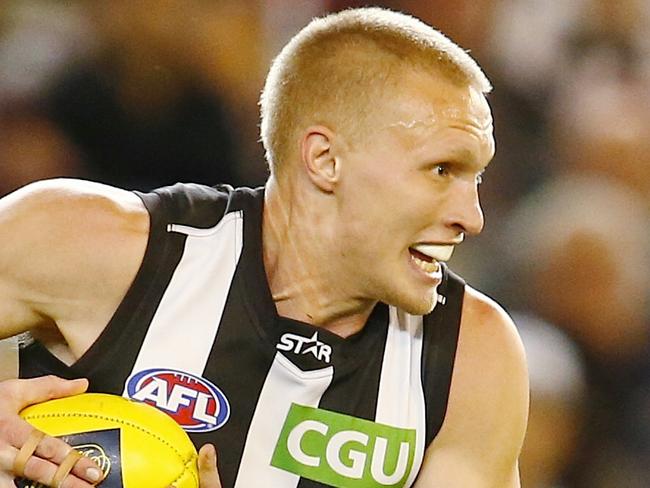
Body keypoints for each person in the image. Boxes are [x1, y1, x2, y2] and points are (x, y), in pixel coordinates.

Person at [0, 7, 528, 488]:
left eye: (475, 178)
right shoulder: (90, 242)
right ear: (325, 160)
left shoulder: (471, 358)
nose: (472, 218)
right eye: (442, 170)